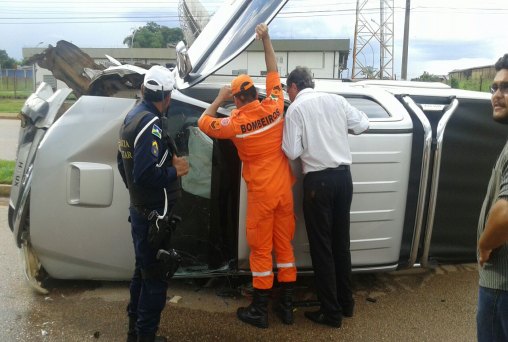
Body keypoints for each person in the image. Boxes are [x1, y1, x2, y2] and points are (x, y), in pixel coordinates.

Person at [197, 23, 297, 329]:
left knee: (261, 249)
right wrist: (265, 38)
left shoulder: (235, 124)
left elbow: (204, 123)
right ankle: (288, 306)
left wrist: (217, 98)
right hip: (283, 189)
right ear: (255, 92)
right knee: (285, 246)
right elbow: (273, 68)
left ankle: (260, 309)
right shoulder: (276, 104)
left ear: (237, 100)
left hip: (262, 195)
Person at [282, 66, 369, 328]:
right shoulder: (337, 100)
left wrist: (311, 141)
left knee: (322, 249)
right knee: (341, 244)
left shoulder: (296, 109)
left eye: (288, 90)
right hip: (344, 178)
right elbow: (363, 124)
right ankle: (347, 304)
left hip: (318, 182)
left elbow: (290, 151)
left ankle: (330, 313)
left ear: (294, 87)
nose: (289, 95)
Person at [117, 65, 190, 342]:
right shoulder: (150, 123)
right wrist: (175, 171)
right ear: (167, 97)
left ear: (144, 90)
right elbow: (145, 173)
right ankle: (145, 336)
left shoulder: (132, 117)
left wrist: (137, 198)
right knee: (155, 280)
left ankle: (134, 334)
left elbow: (121, 164)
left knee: (142, 273)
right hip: (152, 218)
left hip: (141, 213)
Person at [477, 53, 508, 342]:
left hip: (502, 283)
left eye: (506, 88)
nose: (497, 95)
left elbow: (505, 213)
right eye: (494, 88)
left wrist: (485, 246)